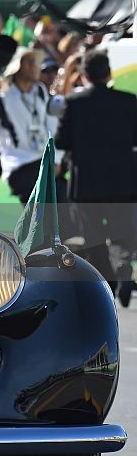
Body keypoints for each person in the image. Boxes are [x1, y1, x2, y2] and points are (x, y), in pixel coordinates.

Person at [55, 50, 137, 304]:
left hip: (86, 184)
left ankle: (108, 280)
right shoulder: (128, 101)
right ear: (108, 73)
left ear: (85, 75)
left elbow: (61, 140)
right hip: (123, 181)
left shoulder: (74, 103)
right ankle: (123, 266)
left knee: (92, 236)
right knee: (123, 231)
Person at [0, 47, 56, 203]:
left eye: (35, 62)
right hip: (20, 166)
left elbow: (52, 125)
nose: (34, 66)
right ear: (17, 68)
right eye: (29, 62)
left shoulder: (41, 91)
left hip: (43, 162)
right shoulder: (4, 97)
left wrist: (57, 159)